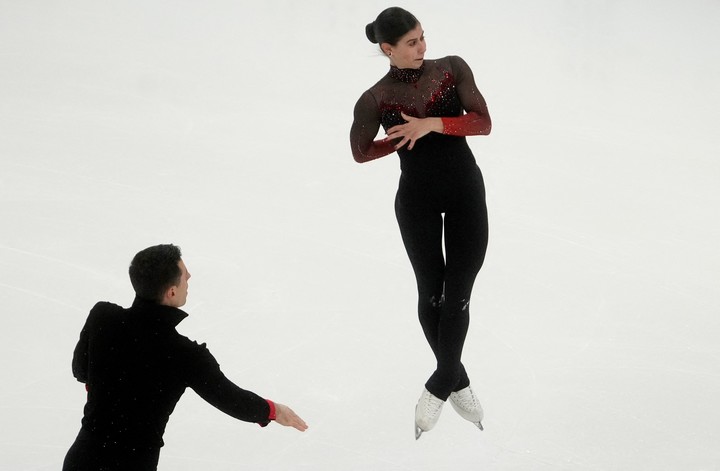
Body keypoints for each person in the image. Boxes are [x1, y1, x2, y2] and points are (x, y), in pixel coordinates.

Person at [350, 7, 491, 439]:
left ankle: (440, 383)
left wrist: (432, 124)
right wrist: (397, 141)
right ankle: (457, 378)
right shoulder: (375, 97)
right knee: (431, 293)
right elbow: (359, 151)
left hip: (466, 192)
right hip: (417, 201)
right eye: (411, 43)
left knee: (458, 293)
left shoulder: (452, 69)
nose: (422, 48)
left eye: (423, 38)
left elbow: (483, 123)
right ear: (387, 48)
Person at [62, 244, 308, 471]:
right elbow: (232, 400)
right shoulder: (184, 355)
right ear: (170, 292)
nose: (189, 278)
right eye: (184, 275)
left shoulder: (103, 317)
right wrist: (273, 410)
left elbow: (80, 370)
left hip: (81, 460)